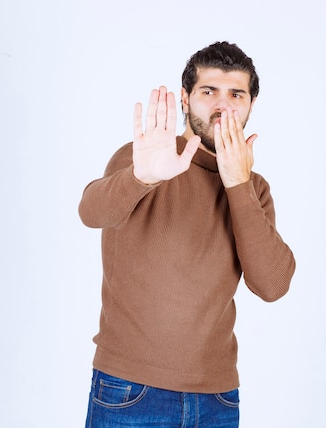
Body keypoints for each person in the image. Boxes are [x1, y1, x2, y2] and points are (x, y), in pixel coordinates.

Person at [79, 41, 296, 428]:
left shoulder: (253, 188)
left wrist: (237, 185)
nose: (222, 106)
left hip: (217, 400)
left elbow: (272, 285)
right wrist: (141, 176)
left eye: (236, 94)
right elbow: (91, 212)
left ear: (251, 105)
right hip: (130, 391)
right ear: (185, 98)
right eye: (208, 91)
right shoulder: (147, 158)